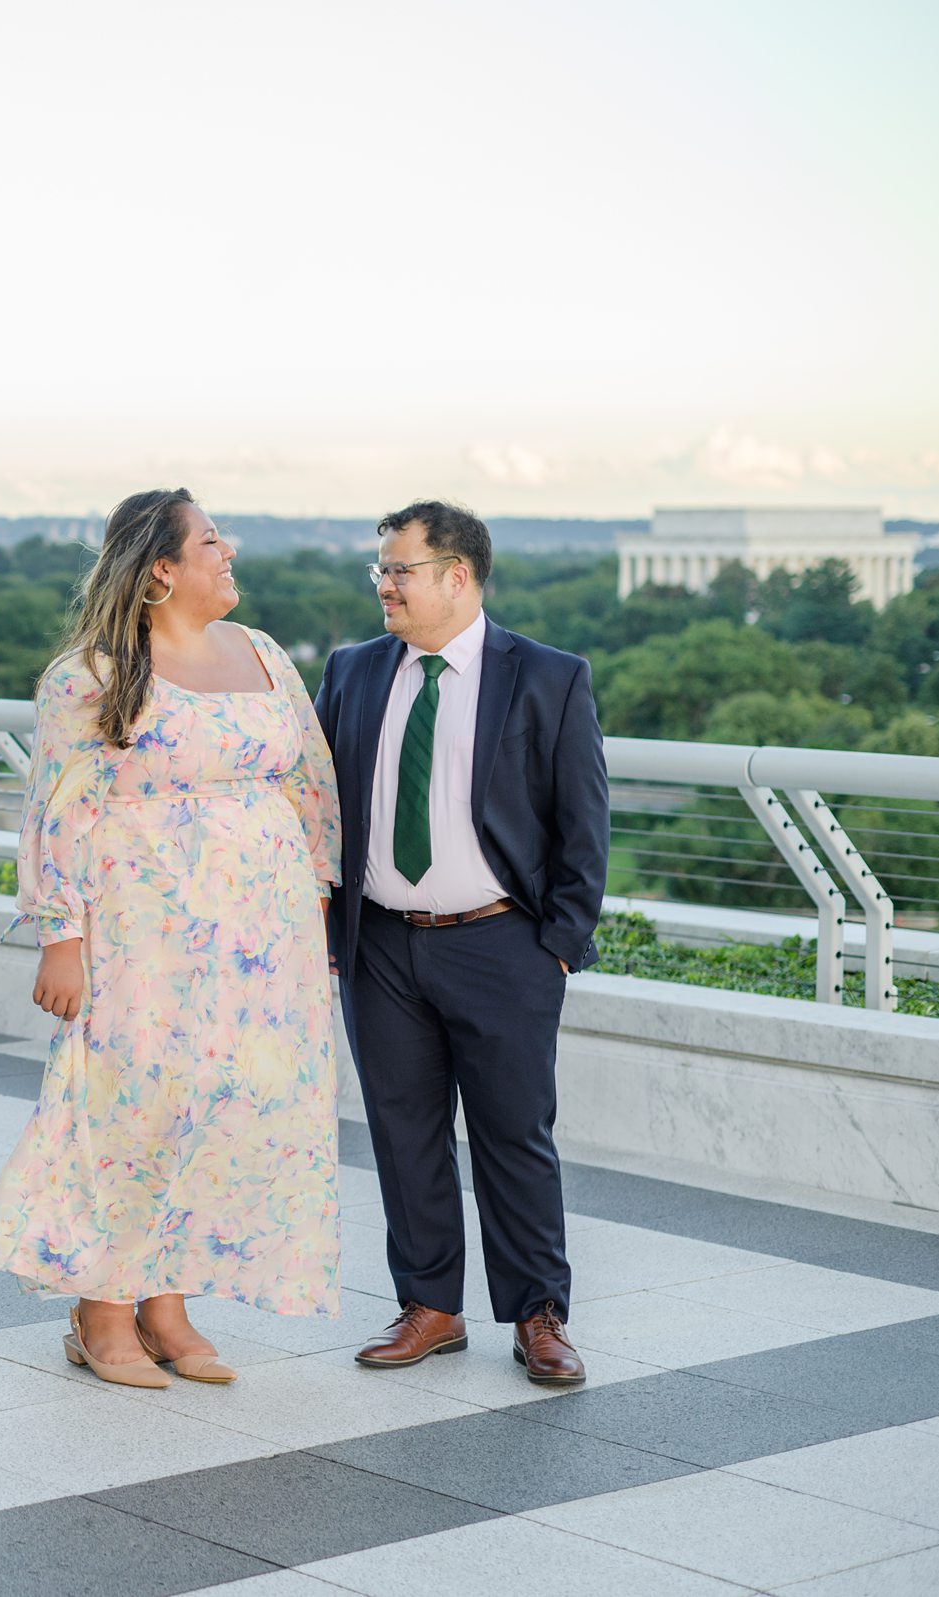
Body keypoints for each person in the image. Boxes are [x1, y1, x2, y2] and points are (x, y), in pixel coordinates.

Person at [0, 488, 343, 1389]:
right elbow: (58, 810)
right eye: (211, 540)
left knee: (220, 1104)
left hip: (263, 941)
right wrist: (60, 934)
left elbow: (311, 785)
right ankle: (101, 1310)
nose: (230, 552)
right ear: (160, 571)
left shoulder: (262, 655)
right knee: (127, 1107)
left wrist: (317, 907)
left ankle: (168, 1304)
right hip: (140, 936)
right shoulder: (93, 675)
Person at [313, 500, 608, 1387]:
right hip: (381, 948)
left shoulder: (549, 676)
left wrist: (554, 944)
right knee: (405, 1133)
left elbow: (583, 825)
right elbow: (319, 806)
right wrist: (333, 932)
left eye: (400, 570)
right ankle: (430, 1307)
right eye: (381, 570)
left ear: (459, 575)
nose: (384, 586)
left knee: (514, 1135)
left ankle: (538, 1316)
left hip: (500, 946)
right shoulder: (354, 669)